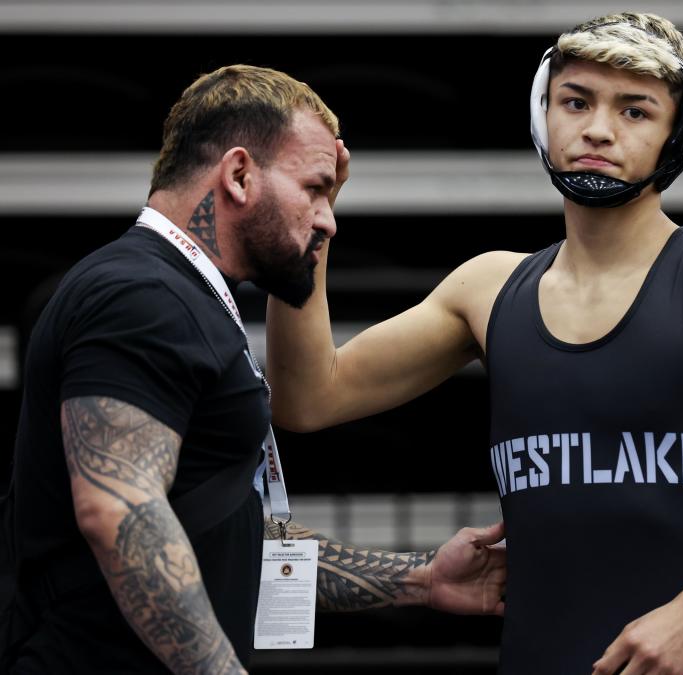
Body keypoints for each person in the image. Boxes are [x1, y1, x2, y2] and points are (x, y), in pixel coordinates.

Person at [267, 12, 683, 675]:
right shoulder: (487, 288)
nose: (597, 128)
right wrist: (301, 228)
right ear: (544, 114)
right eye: (576, 101)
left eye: (635, 111)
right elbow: (308, 398)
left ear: (678, 134)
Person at [1, 64, 506, 674]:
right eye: (316, 188)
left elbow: (218, 541)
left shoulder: (180, 296)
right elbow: (121, 513)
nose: (329, 220)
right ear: (239, 175)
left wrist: (421, 579)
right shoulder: (141, 296)